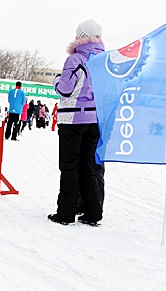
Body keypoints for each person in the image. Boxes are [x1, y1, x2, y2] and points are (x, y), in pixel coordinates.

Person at [48, 19, 105, 226]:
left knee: (69, 167)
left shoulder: (75, 59)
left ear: (80, 36)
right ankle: (93, 213)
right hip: (94, 119)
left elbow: (65, 89)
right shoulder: (103, 61)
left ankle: (65, 213)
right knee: (88, 168)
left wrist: (56, 80)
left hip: (72, 119)